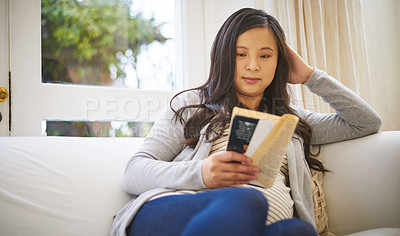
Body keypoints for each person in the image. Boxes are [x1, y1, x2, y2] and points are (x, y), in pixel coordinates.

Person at [109, 8, 382, 236]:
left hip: (254, 227)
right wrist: (202, 173)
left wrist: (310, 75)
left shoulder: (292, 119)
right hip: (180, 211)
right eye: (241, 54)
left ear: (279, 62)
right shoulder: (191, 105)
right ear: (223, 57)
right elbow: (133, 172)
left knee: (298, 231)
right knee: (247, 198)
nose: (253, 65)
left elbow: (365, 122)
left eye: (265, 55)